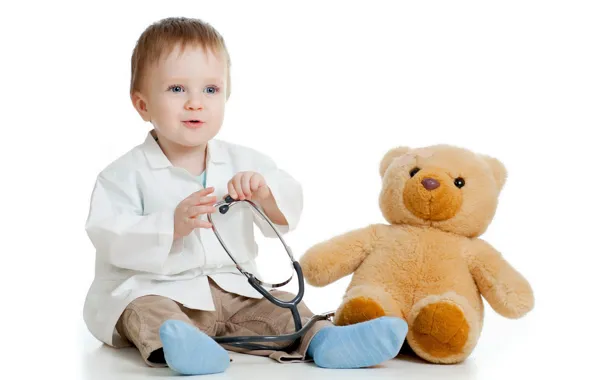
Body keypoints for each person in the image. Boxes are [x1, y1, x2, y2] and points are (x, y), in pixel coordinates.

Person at [83, 16, 407, 376]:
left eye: (210, 90)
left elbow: (287, 210)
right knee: (146, 312)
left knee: (284, 307)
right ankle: (189, 351)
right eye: (176, 89)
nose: (195, 103)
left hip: (236, 291)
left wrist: (264, 196)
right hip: (160, 289)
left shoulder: (244, 162)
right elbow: (109, 235)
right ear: (142, 105)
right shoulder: (122, 175)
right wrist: (169, 227)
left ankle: (326, 340)